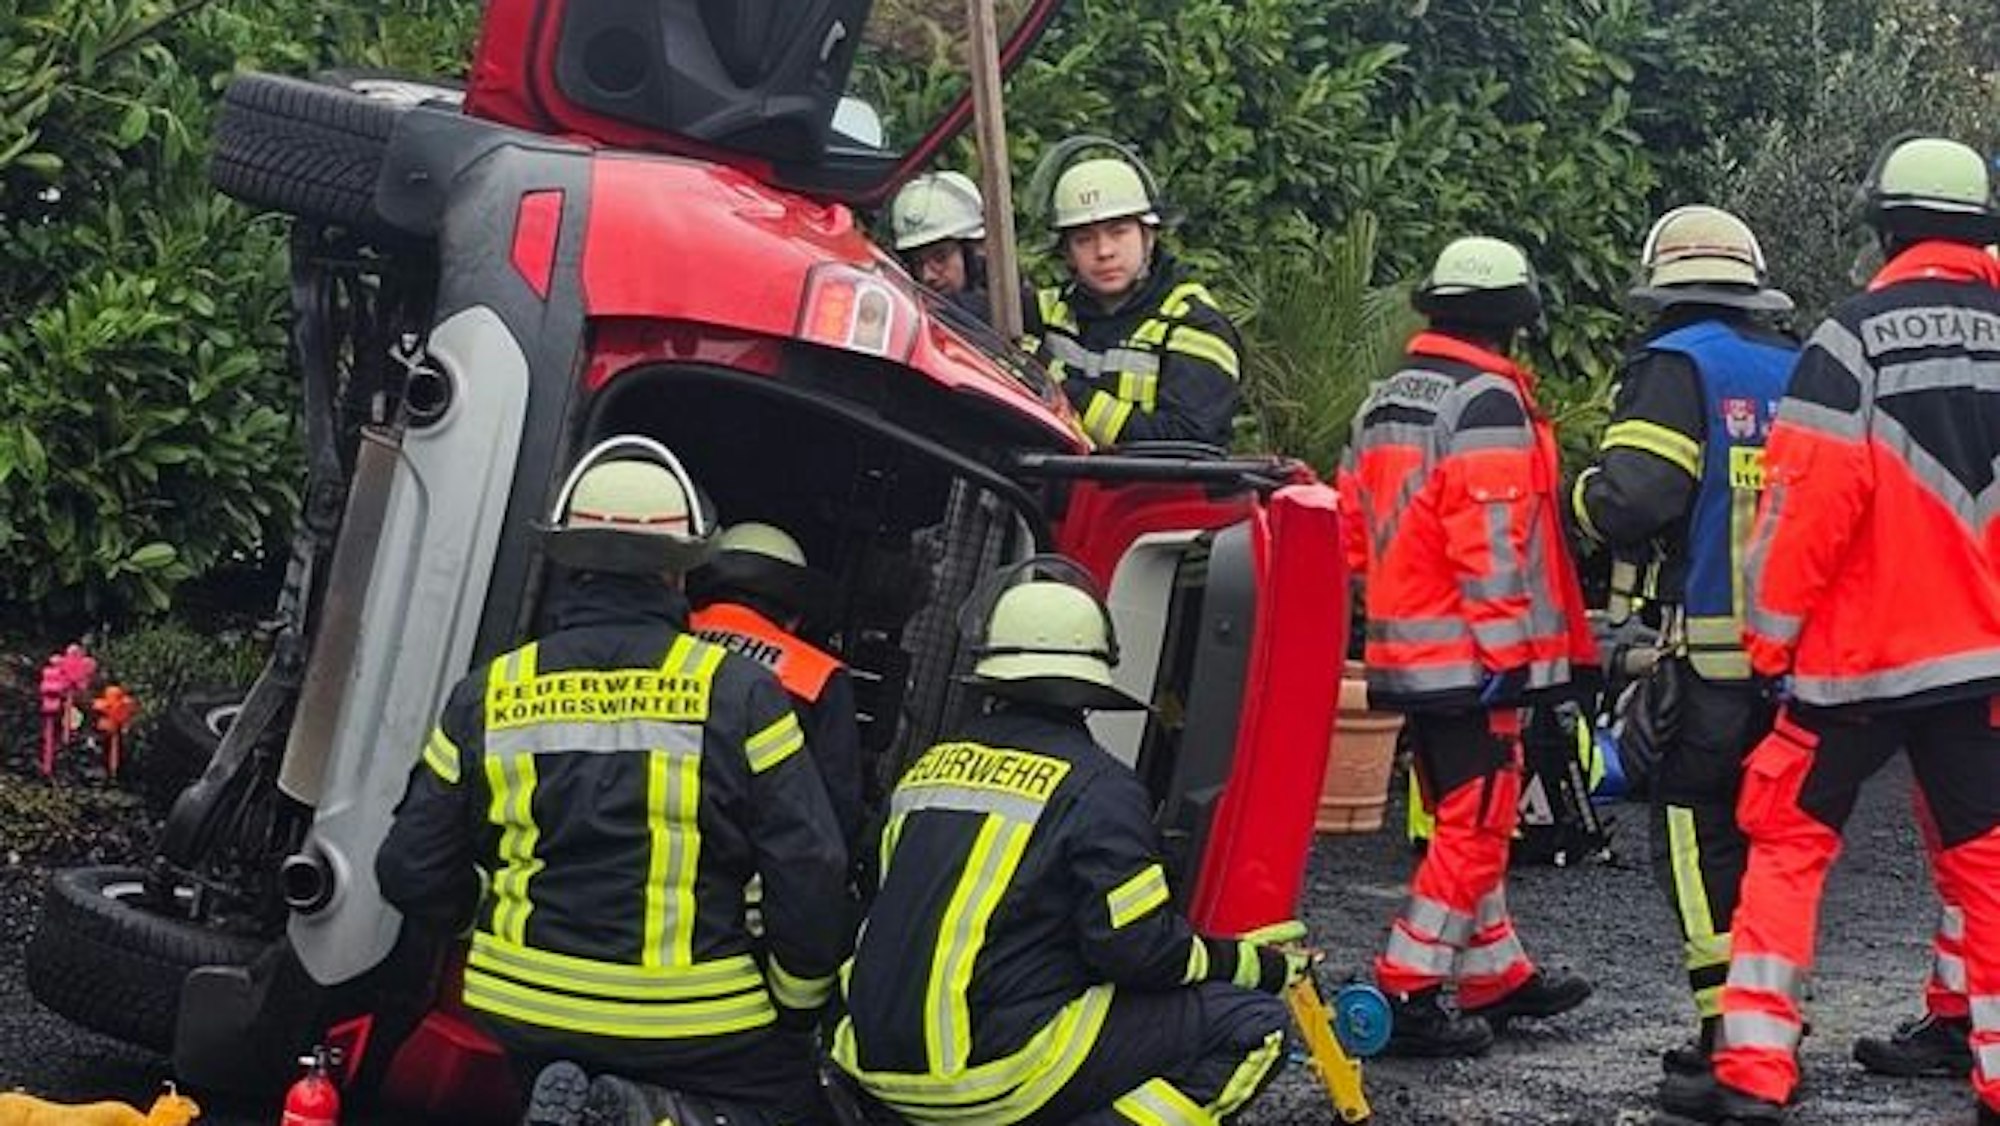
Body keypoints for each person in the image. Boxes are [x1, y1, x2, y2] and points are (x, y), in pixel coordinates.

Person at [375, 436, 850, 1126]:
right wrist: (797, 1000)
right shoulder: (739, 694)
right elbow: (811, 864)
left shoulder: (489, 693)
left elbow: (409, 868)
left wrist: (481, 910)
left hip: (524, 1006)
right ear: (679, 573)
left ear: (566, 558)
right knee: (794, 1104)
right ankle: (640, 1110)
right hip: (690, 1016)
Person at [1691, 135, 2000, 1126]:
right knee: (1986, 859)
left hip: (1857, 659)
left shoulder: (1850, 337)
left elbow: (1804, 505)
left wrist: (1767, 642)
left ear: (1884, 224)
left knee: (1785, 842)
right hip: (1981, 659)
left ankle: (1751, 1065)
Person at [832, 557, 1303, 1125]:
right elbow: (1138, 952)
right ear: (1091, 684)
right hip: (988, 1078)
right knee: (1256, 1028)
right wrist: (1254, 964)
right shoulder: (1100, 788)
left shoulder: (926, 771)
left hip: (872, 1065)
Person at [1338, 235, 1596, 1058]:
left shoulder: (1384, 400)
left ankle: (1495, 974)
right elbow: (1490, 537)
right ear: (1512, 322)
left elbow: (1350, 529)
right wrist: (1508, 653)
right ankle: (1405, 987)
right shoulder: (1485, 400)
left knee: (1463, 811)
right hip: (1471, 657)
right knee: (1478, 822)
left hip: (1404, 652)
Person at [1568, 205, 1798, 1108]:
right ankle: (1770, 1029)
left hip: (1709, 664)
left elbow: (1633, 501)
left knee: (1694, 838)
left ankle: (1725, 1037)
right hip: (1800, 664)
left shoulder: (1675, 366)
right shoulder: (1799, 363)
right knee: (1775, 846)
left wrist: (1576, 493)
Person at [1026, 143, 1242, 449]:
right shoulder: (1049, 311)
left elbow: (1187, 441)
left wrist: (1057, 388)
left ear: (1149, 235)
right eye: (1084, 238)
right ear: (1067, 253)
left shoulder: (1195, 324)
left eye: (1118, 231)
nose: (1104, 251)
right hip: (1066, 493)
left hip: (1159, 495)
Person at [689, 520, 863, 850]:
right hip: (746, 874)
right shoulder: (819, 675)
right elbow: (836, 811)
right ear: (796, 614)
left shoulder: (665, 638)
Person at [889, 170, 995, 322]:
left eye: (940, 258)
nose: (927, 276)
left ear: (971, 254)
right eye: (917, 263)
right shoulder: (907, 321)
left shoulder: (1019, 308)